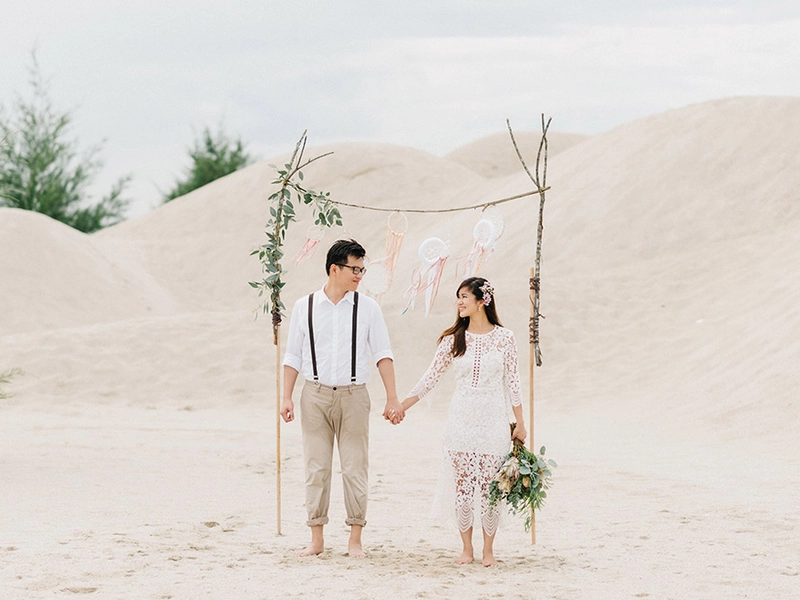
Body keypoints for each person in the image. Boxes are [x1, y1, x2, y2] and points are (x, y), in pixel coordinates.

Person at [281, 239, 405, 558]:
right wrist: (287, 397)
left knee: (354, 468)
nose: (359, 275)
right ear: (334, 269)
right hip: (314, 395)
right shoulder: (303, 307)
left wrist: (393, 398)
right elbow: (293, 355)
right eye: (355, 268)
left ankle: (355, 539)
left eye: (362, 269)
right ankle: (317, 539)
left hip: (354, 396)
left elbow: (382, 353)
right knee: (316, 468)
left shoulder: (368, 308)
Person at [401, 276, 526, 567]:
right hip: (461, 419)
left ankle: (489, 550)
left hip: (494, 418)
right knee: (464, 486)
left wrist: (520, 423)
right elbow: (430, 377)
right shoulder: (452, 340)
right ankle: (467, 549)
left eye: (464, 297)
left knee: (491, 486)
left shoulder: (505, 338)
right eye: (457, 297)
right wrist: (403, 406)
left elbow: (513, 382)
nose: (459, 302)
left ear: (483, 301)